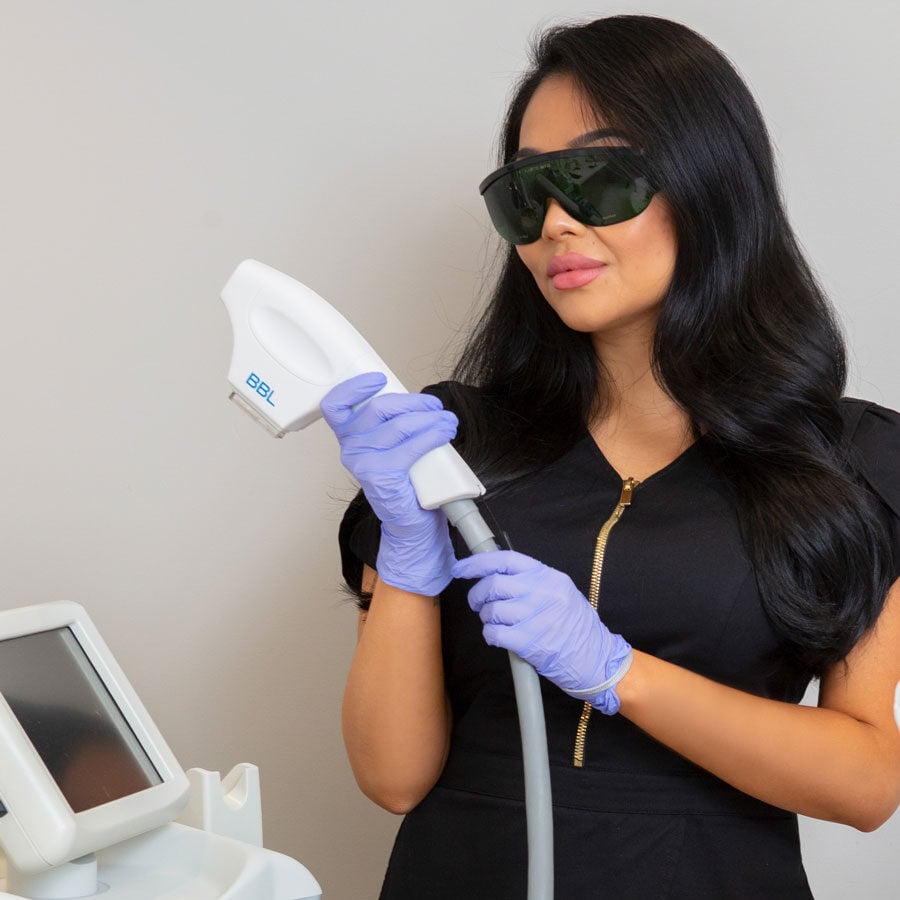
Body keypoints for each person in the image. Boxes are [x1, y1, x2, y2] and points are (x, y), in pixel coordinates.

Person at [322, 15, 900, 899]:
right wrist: (403, 557)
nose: (555, 223)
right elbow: (393, 778)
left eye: (597, 179)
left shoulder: (850, 462)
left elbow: (864, 784)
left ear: (709, 184)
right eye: (527, 193)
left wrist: (619, 672)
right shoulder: (450, 444)